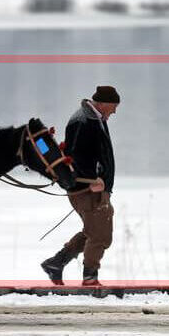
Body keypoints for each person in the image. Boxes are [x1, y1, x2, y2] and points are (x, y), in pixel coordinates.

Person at [41, 86, 120, 286]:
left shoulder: (94, 118)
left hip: (95, 188)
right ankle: (90, 278)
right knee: (100, 234)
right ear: (102, 103)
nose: (115, 111)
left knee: (95, 230)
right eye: (113, 107)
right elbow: (75, 156)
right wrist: (93, 179)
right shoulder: (82, 121)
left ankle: (56, 263)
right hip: (86, 188)